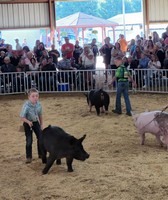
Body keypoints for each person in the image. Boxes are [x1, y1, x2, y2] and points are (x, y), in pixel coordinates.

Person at [20, 88, 43, 164]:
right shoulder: (26, 106)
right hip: (27, 124)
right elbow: (22, 117)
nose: (35, 98)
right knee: (29, 140)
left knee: (40, 138)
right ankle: (29, 157)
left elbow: (40, 114)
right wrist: (28, 121)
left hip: (36, 122)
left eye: (37, 96)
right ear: (29, 97)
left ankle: (41, 154)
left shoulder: (39, 104)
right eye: (33, 96)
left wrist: (41, 124)